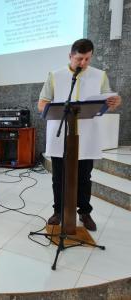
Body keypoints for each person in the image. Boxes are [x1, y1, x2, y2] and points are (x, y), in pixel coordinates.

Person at [38, 38, 122, 231]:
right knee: (58, 176)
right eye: (79, 59)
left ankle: (84, 212)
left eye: (87, 59)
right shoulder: (55, 75)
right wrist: (53, 108)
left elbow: (107, 100)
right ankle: (58, 211)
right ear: (70, 56)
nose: (83, 63)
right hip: (61, 134)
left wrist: (114, 102)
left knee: (85, 176)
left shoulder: (100, 76)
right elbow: (42, 103)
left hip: (87, 135)